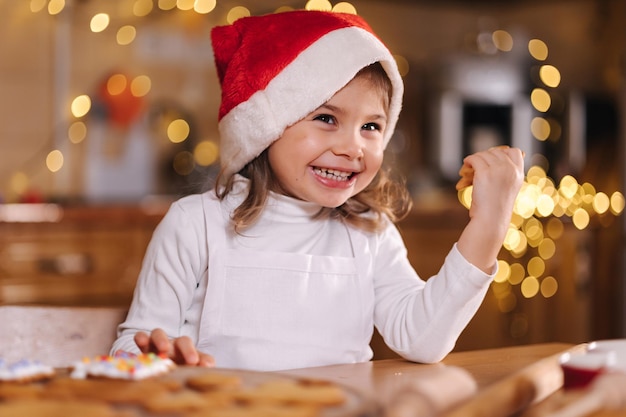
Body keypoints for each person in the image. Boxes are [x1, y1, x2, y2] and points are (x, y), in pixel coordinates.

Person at [111, 10, 524, 372]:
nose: (352, 147)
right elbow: (132, 349)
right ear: (263, 129)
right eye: (327, 118)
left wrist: (489, 225)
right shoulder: (194, 224)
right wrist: (161, 359)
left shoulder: (369, 231)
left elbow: (422, 338)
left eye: (371, 126)